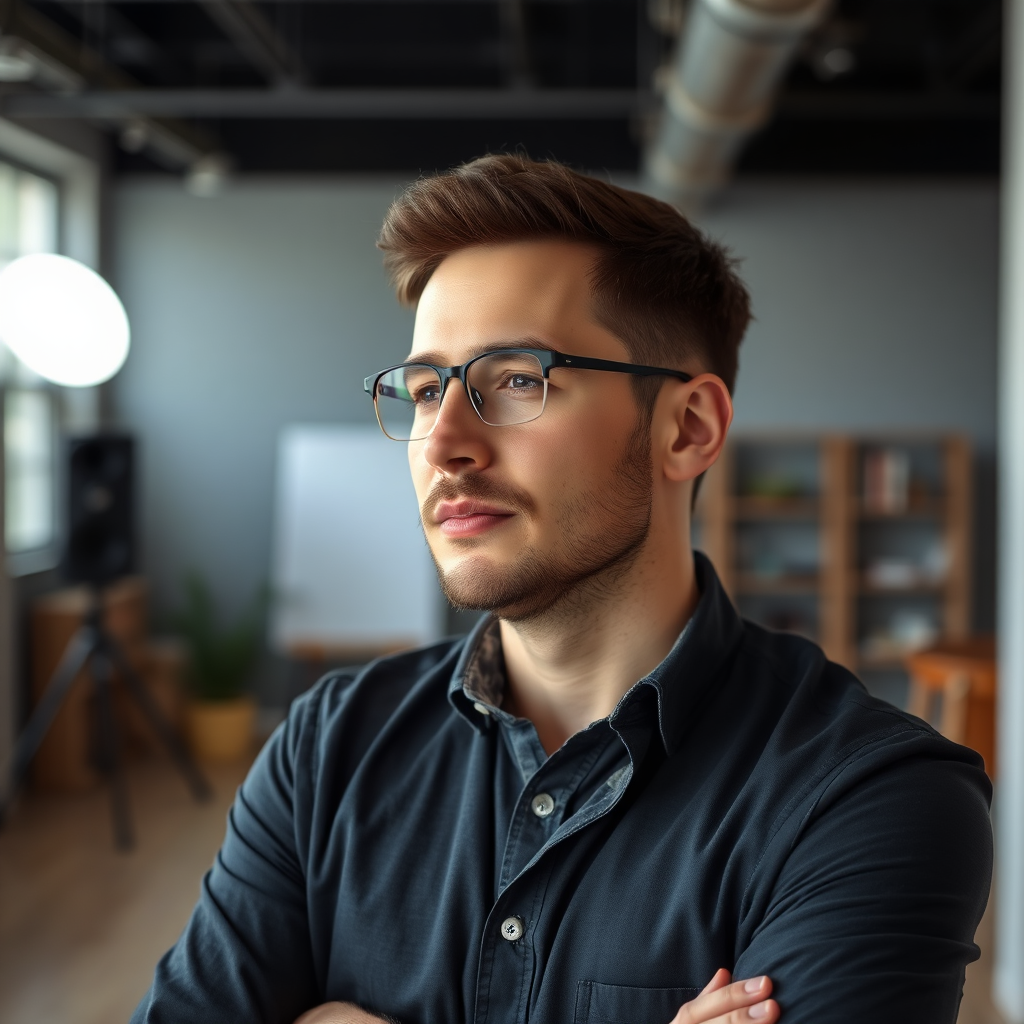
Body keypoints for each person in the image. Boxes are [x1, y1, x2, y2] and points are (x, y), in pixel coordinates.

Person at [131, 155, 992, 1024]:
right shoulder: (327, 747)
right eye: (427, 390)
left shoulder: (870, 799)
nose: (444, 444)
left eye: (515, 379)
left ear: (687, 428)